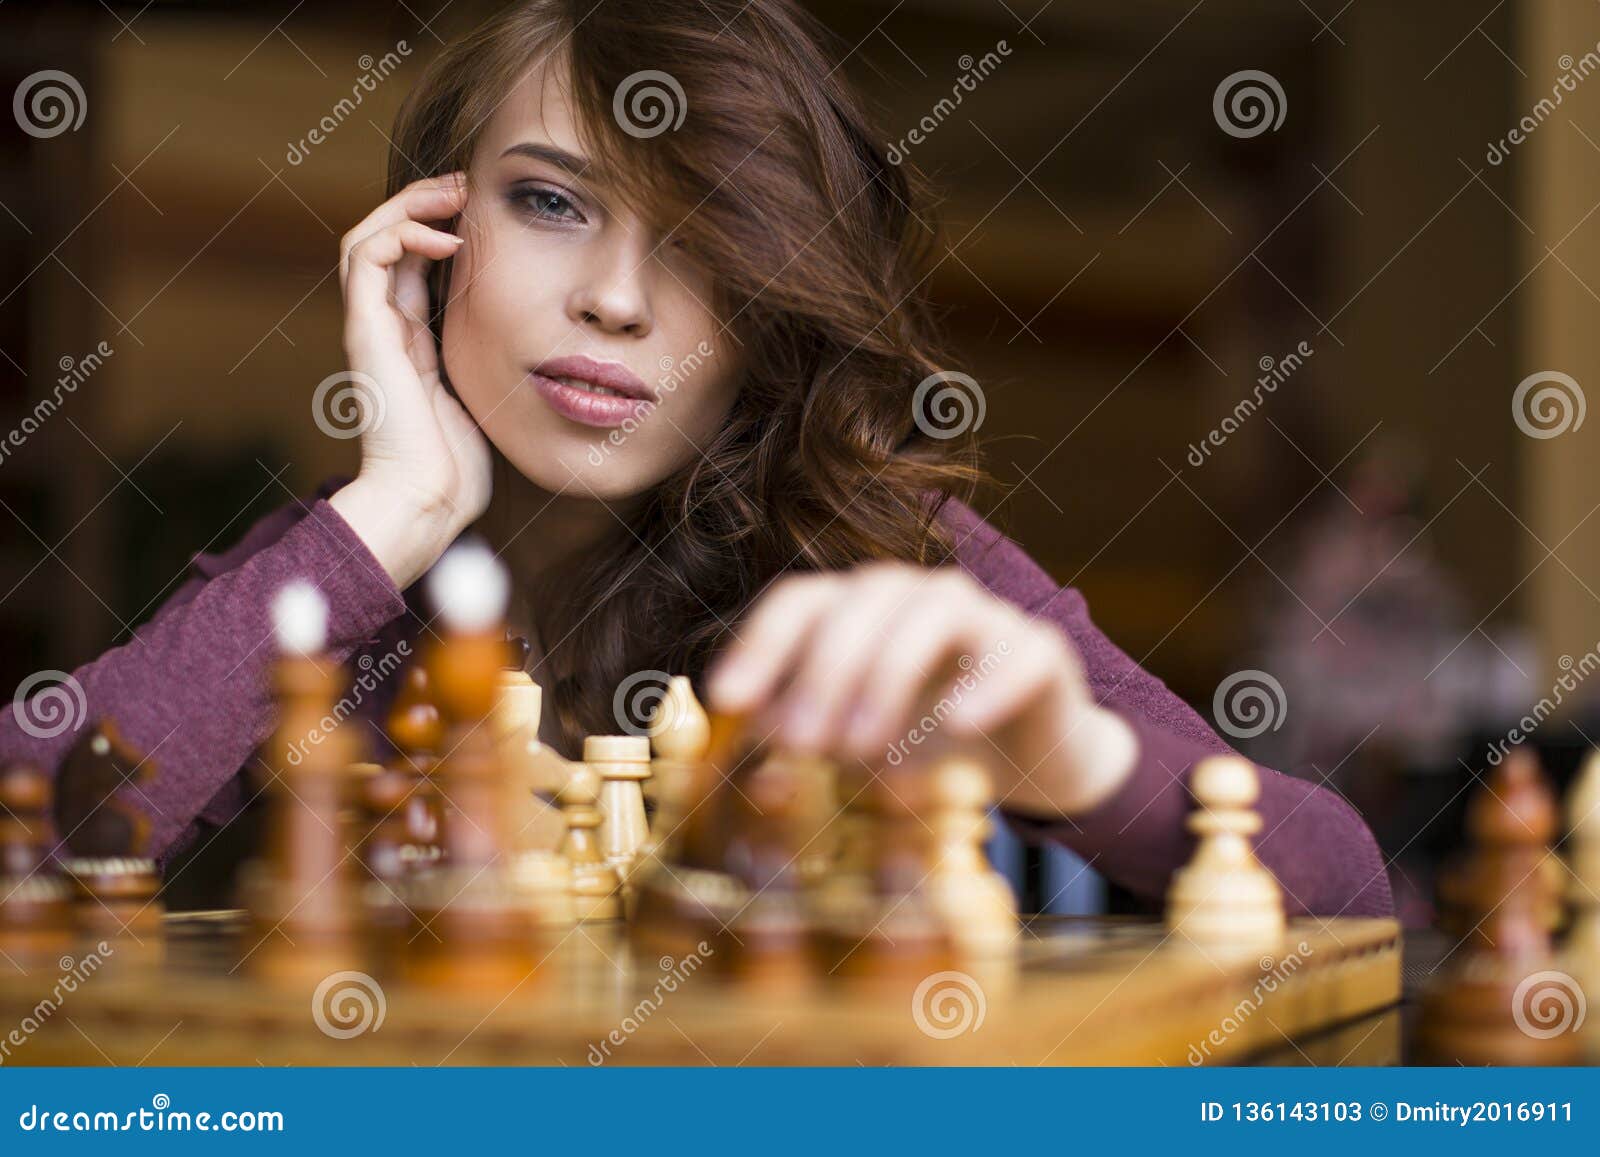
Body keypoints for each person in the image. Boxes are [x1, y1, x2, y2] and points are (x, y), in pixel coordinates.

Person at [0, 0, 1390, 918]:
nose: (616, 299)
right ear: (430, 232)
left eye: (707, 244)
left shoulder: (885, 553)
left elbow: (1344, 891)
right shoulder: (344, 571)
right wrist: (396, 510)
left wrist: (1072, 753)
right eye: (549, 201)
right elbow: (36, 828)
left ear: (774, 302)